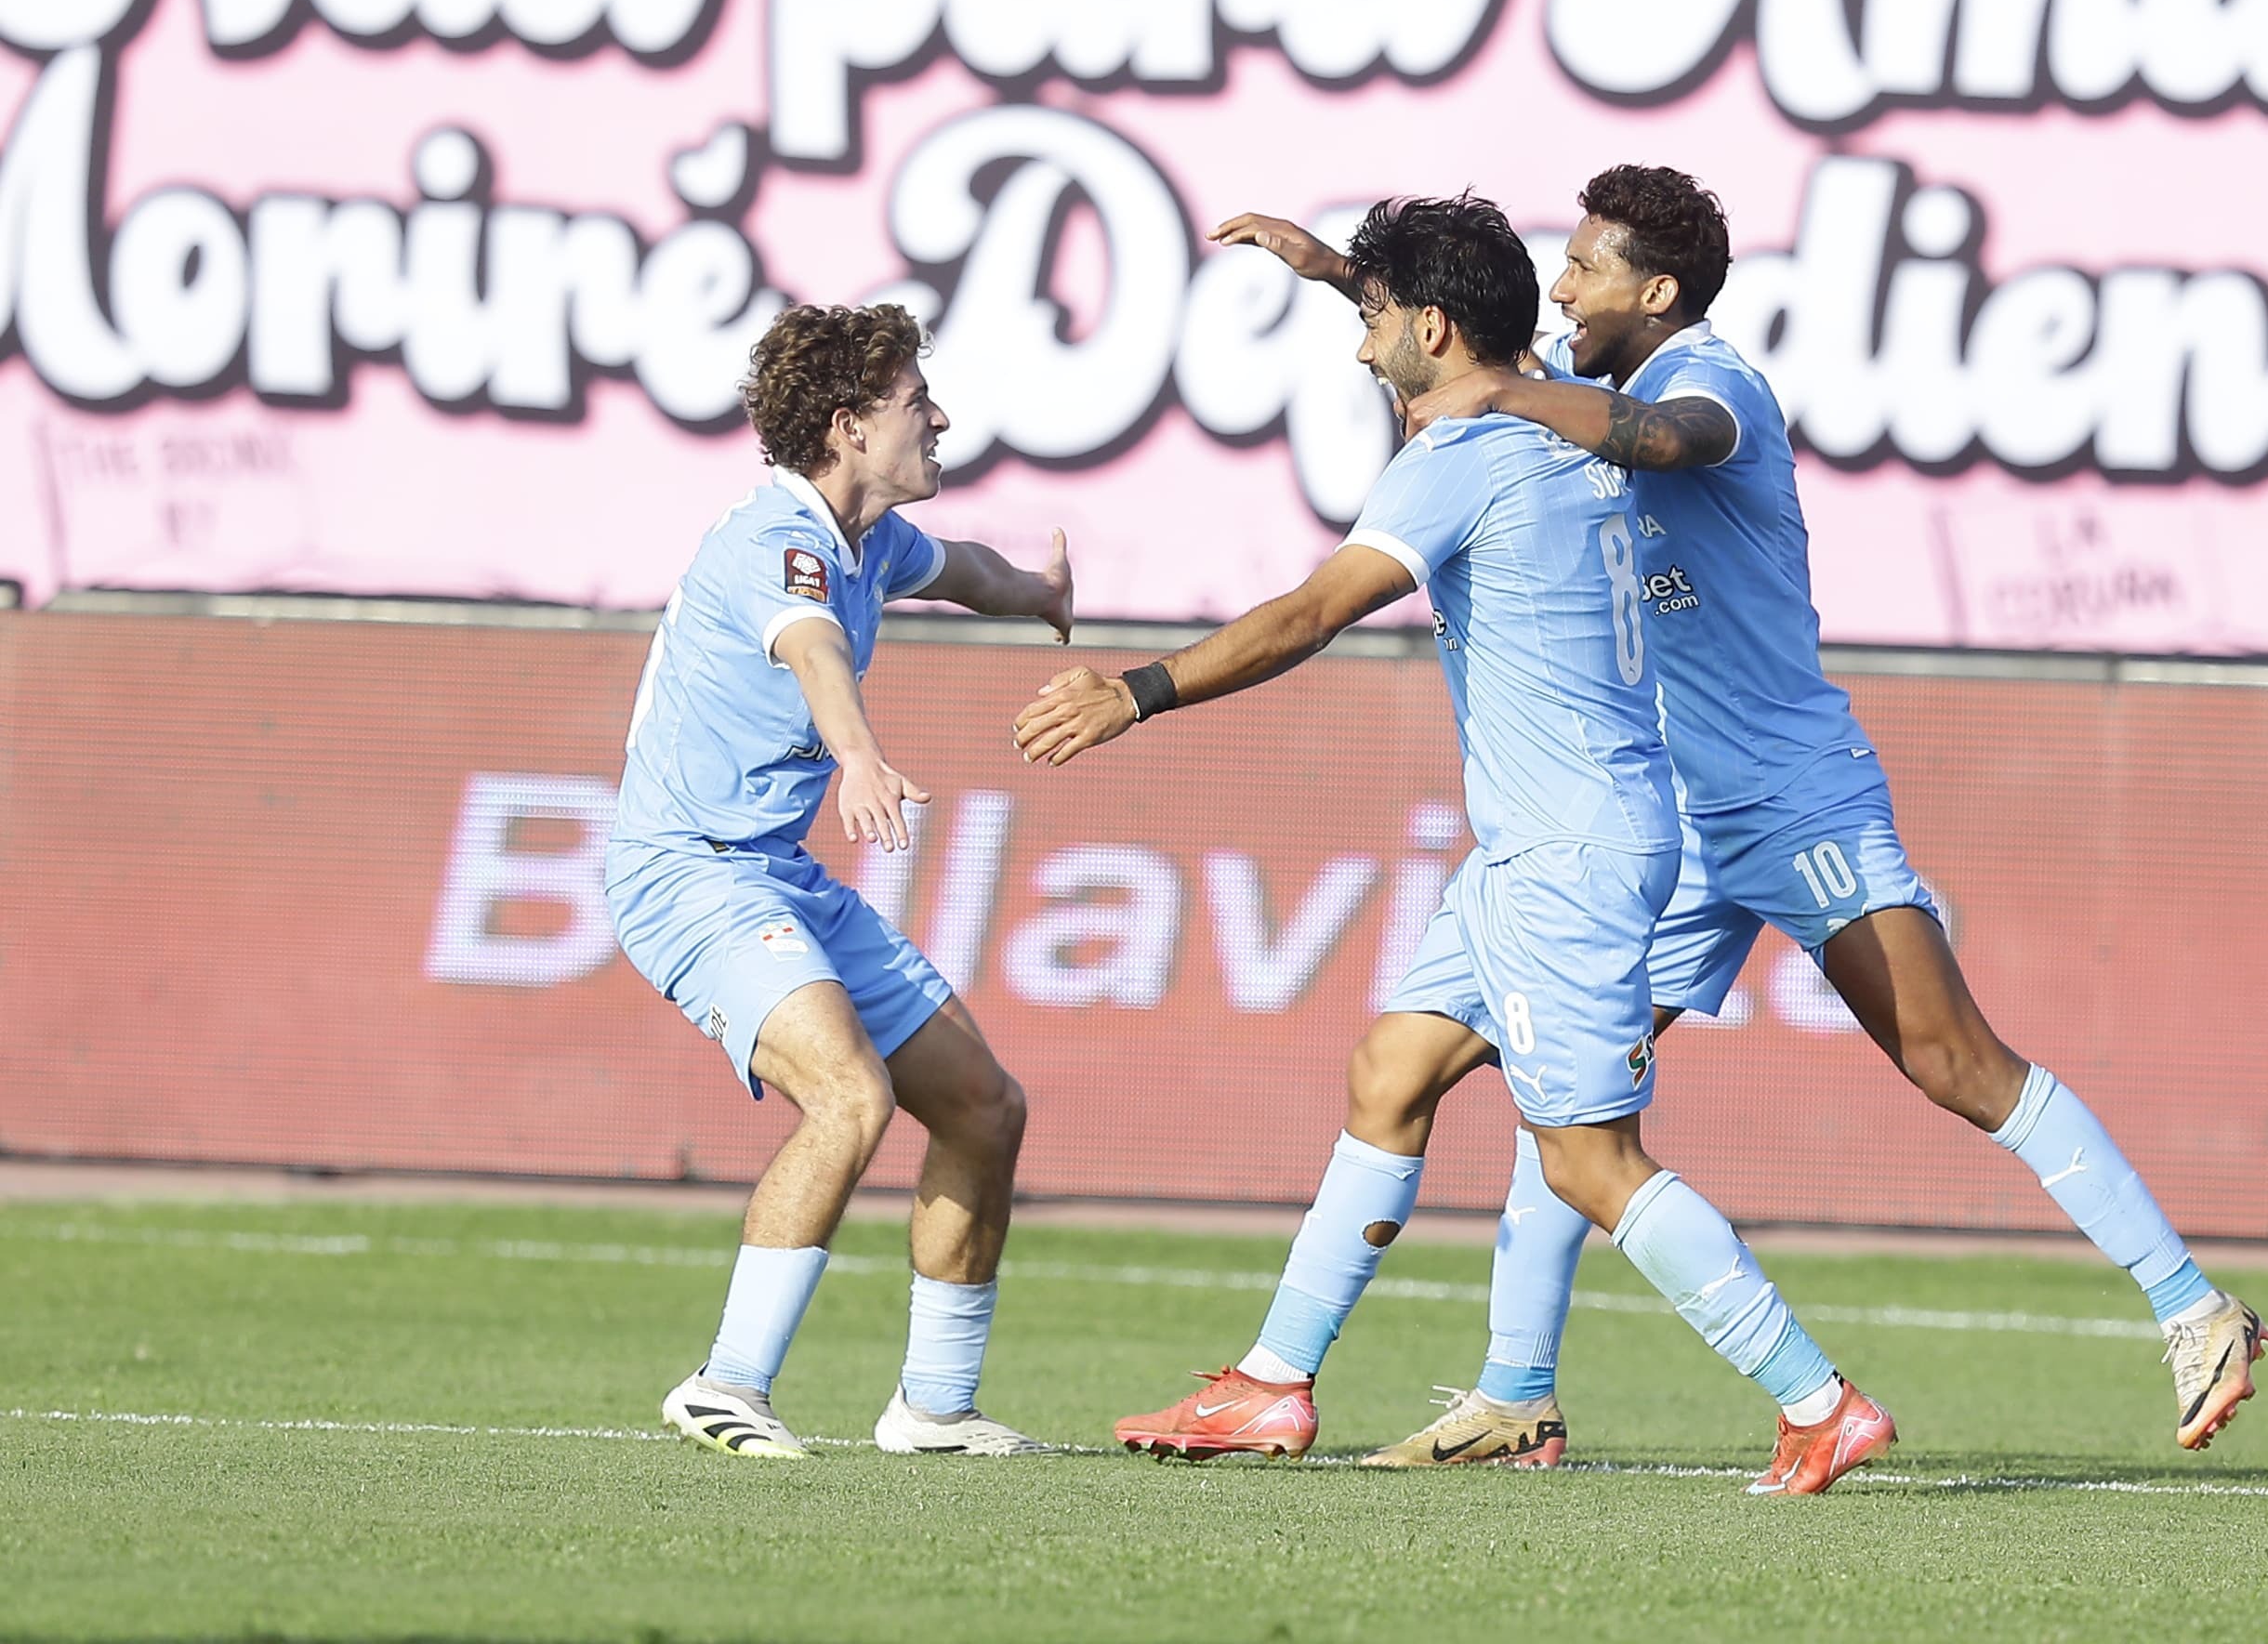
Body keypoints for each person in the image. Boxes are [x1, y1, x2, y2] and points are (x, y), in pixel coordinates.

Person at [1212, 165, 2268, 1470]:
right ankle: (1514, 1390)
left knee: (1953, 1062)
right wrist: (1342, 280)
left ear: (1654, 292)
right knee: (1574, 1107)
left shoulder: (1713, 384)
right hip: (1675, 816)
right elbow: (1474, 346)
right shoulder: (1578, 383)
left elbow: (1671, 440)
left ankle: (2197, 1309)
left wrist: (1500, 385)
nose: (1563, 287)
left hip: (1789, 795)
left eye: (1588, 269)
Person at [1016, 194, 1897, 1497]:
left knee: (1589, 1160)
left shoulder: (1462, 458)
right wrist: (1339, 275)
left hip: (1570, 854)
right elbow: (1465, 365)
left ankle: (1817, 1402)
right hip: (1546, 843)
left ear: (1432, 325)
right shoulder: (1548, 412)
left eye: (1376, 323)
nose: (1361, 350)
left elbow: (1316, 609)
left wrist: (1139, 689)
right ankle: (1270, 1384)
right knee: (1394, 1069)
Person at [608, 302, 1073, 1459]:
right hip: (689, 873)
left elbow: (956, 567)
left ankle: (933, 1407)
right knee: (852, 1098)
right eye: (920, 402)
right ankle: (726, 1384)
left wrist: (1038, 594)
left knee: (983, 1108)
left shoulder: (869, 537)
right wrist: (859, 754)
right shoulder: (781, 543)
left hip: (776, 873)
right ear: (849, 426)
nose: (942, 416)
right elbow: (810, 645)